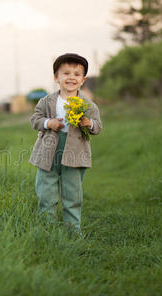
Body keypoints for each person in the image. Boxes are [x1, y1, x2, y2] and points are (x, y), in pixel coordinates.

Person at [29, 53, 102, 236]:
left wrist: (88, 123)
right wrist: (49, 123)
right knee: (46, 191)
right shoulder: (47, 101)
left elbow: (98, 127)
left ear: (83, 80)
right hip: (48, 152)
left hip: (75, 153)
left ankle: (72, 230)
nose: (71, 77)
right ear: (56, 78)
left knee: (72, 193)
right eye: (66, 73)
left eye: (77, 74)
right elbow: (35, 119)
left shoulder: (88, 105)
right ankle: (47, 229)